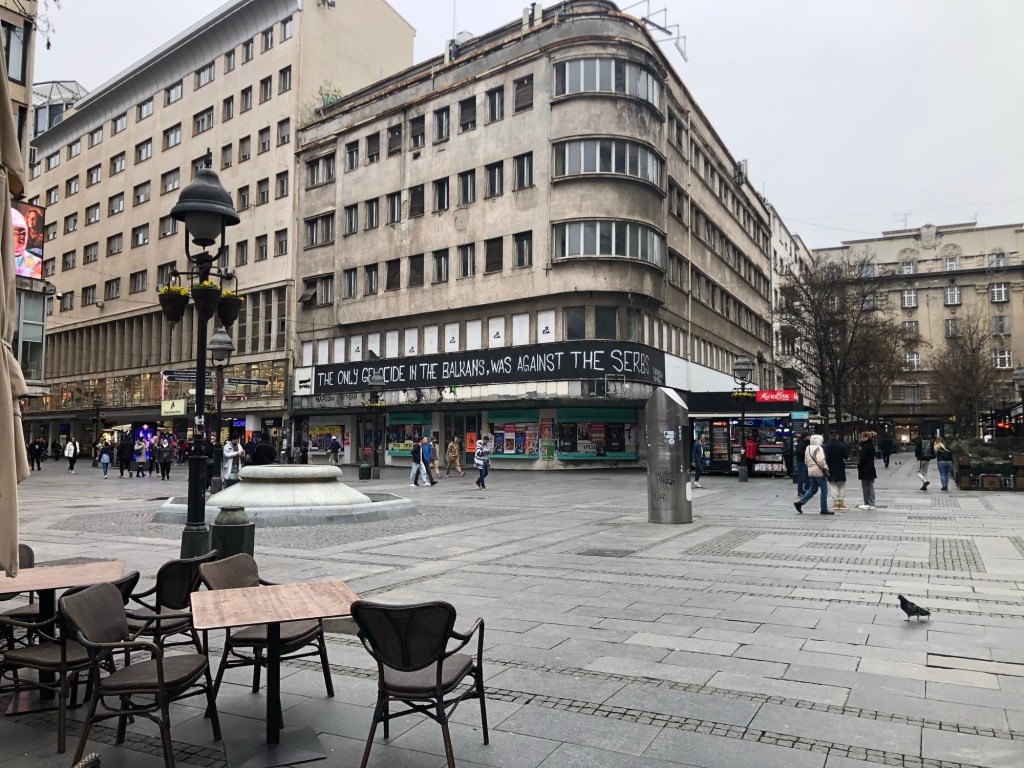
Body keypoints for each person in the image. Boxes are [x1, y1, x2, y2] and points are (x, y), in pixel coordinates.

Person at [794, 434, 830, 515]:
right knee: (824, 491)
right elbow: (821, 461)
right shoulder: (819, 448)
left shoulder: (808, 448)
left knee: (813, 489)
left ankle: (799, 503)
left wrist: (810, 466)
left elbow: (806, 460)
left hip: (811, 471)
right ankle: (824, 509)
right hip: (819, 472)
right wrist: (825, 467)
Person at [823, 432, 848, 511]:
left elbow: (825, 458)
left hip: (830, 468)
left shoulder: (826, 446)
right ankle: (841, 502)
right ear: (837, 436)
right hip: (840, 467)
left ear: (830, 437)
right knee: (841, 485)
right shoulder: (841, 445)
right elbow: (846, 456)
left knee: (833, 486)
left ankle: (835, 503)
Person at [857, 431, 877, 509]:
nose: (861, 438)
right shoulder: (870, 445)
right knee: (870, 486)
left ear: (866, 437)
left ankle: (868, 503)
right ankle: (870, 503)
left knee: (866, 487)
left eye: (862, 437)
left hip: (865, 469)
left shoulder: (866, 446)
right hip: (870, 468)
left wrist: (859, 466)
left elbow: (863, 458)